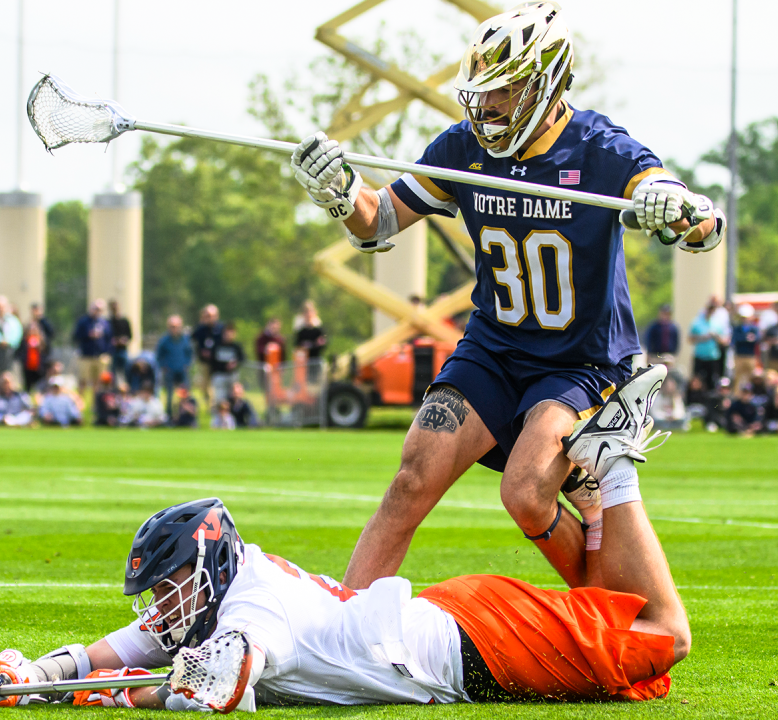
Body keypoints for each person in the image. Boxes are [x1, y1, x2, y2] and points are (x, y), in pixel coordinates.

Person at [288, 3, 724, 590]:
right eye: (484, 89)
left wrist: (673, 208)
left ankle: (603, 613)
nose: (488, 105)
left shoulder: (599, 150)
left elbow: (703, 224)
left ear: (546, 82)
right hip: (493, 349)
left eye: (507, 89)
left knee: (523, 494)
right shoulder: (462, 147)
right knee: (411, 480)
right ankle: (341, 634)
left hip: (580, 361)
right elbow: (381, 220)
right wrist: (342, 193)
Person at [0, 495, 688, 709]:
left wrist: (102, 700)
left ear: (207, 563)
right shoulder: (222, 590)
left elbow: (205, 691)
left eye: (170, 585)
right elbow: (123, 650)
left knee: (664, 635)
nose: (161, 604)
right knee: (614, 619)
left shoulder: (252, 607)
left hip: (479, 640)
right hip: (446, 623)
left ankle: (614, 474)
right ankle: (592, 501)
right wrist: (34, 677)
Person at [690, 298, 729, 396]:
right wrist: (702, 337)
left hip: (713, 357)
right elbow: (690, 338)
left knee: (712, 381)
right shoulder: (697, 322)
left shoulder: (717, 323)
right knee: (697, 380)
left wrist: (715, 336)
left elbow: (725, 341)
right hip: (700, 356)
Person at [155, 315, 193, 417]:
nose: (174, 329)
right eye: (172, 326)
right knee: (170, 396)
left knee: (185, 394)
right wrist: (164, 367)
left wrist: (187, 365)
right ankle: (169, 416)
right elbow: (159, 356)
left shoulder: (185, 340)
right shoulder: (164, 340)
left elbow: (189, 354)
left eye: (176, 326)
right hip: (169, 372)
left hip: (182, 371)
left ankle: (184, 416)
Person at [74, 300, 112, 394]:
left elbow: (109, 338)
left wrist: (108, 353)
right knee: (83, 380)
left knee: (98, 381)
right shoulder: (83, 321)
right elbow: (76, 336)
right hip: (86, 356)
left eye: (100, 309)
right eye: (96, 309)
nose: (97, 311)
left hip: (100, 356)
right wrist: (88, 334)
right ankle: (80, 404)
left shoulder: (105, 323)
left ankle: (95, 404)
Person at [209, 323, 244, 404]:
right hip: (219, 375)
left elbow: (242, 358)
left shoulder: (236, 346)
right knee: (219, 398)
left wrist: (235, 363)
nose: (228, 336)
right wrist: (223, 366)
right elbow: (212, 360)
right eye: (227, 334)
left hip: (232, 376)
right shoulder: (217, 345)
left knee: (233, 398)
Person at [293, 300, 327, 383]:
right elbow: (296, 345)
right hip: (303, 363)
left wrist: (313, 345)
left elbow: (322, 343)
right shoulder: (301, 331)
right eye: (306, 312)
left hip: (315, 361)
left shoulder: (318, 330)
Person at [731, 304, 760, 391]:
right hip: (739, 356)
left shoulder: (754, 328)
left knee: (751, 377)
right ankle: (737, 395)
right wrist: (746, 338)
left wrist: (750, 338)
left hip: (751, 356)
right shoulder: (737, 328)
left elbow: (758, 339)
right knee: (738, 378)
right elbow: (735, 340)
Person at [108, 300, 133, 382]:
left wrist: (124, 340)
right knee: (113, 373)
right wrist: (113, 341)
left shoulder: (124, 321)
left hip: (123, 350)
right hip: (112, 351)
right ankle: (114, 390)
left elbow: (130, 336)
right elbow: (107, 337)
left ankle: (127, 388)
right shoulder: (108, 322)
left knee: (126, 371)